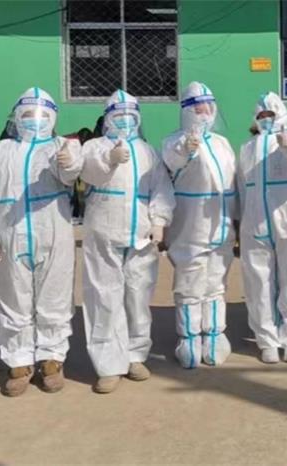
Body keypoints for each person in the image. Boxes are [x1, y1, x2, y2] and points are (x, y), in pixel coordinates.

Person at [0, 87, 83, 396]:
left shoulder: (61, 146)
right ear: (16, 117)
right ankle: (19, 362)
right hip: (10, 232)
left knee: (54, 297)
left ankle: (52, 359)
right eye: (27, 114)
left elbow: (70, 175)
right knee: (14, 298)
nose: (34, 120)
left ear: (52, 117)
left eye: (41, 115)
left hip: (54, 231)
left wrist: (67, 162)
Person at [81, 89, 175, 394]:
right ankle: (109, 364)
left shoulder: (148, 152)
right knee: (104, 297)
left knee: (138, 296)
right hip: (104, 232)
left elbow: (161, 187)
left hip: (141, 233)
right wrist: (108, 159)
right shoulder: (95, 146)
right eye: (118, 116)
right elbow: (88, 172)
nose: (125, 121)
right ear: (107, 118)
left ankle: (135, 355)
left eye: (130, 116)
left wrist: (159, 221)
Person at [162, 82, 237, 368]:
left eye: (207, 107)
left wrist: (238, 219)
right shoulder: (174, 141)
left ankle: (215, 334)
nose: (203, 112)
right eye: (197, 108)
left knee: (216, 282)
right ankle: (189, 337)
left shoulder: (222, 144)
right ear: (185, 110)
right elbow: (173, 159)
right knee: (190, 283)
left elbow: (233, 183)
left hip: (222, 225)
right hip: (191, 227)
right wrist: (186, 148)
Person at [238, 92, 287, 364]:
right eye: (262, 115)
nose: (267, 119)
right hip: (256, 220)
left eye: (271, 114)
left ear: (281, 114)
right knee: (258, 282)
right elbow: (241, 186)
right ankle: (267, 340)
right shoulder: (247, 147)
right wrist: (241, 218)